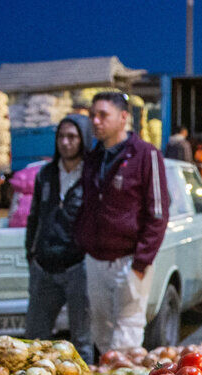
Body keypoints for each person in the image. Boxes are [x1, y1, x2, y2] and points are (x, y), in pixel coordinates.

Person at [74, 91, 171, 351]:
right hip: (96, 260)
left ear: (123, 117)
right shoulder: (93, 159)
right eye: (93, 115)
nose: (96, 121)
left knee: (126, 339)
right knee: (102, 337)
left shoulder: (145, 154)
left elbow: (159, 213)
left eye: (103, 115)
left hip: (129, 261)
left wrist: (140, 264)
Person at [25, 114, 94, 360]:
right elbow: (34, 217)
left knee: (82, 341)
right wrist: (31, 256)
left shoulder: (92, 176)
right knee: (33, 340)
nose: (65, 142)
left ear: (83, 139)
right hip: (44, 268)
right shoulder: (46, 174)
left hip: (78, 268)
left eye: (72, 137)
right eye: (61, 136)